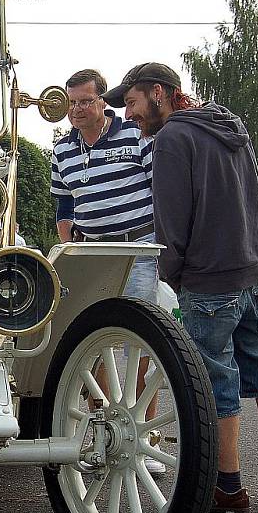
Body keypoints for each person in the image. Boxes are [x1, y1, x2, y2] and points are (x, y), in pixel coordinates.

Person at [104, 62, 258, 513]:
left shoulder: (173, 137)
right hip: (251, 269)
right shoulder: (228, 123)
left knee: (215, 383)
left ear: (160, 92)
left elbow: (171, 219)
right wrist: (257, 254)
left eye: (133, 102)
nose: (131, 114)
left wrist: (172, 274)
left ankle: (228, 486)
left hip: (208, 279)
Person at [50, 69, 163, 474]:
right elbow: (63, 206)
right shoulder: (61, 150)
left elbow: (158, 188)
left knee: (142, 343)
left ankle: (145, 435)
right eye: (71, 103)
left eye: (84, 101)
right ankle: (102, 427)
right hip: (90, 253)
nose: (76, 110)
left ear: (103, 102)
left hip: (136, 249)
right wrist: (69, 243)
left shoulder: (136, 135)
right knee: (90, 339)